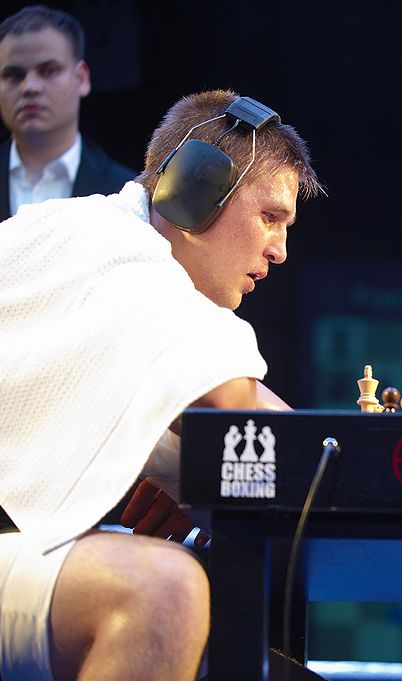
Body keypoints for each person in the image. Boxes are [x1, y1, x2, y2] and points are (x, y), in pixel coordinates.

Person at [0, 89, 322, 680]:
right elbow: (236, 412)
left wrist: (180, 480)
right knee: (166, 589)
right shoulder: (119, 253)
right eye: (270, 218)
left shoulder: (86, 238)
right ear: (194, 188)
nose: (279, 251)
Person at [0, 4, 135, 221]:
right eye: (14, 75)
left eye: (47, 71)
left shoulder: (127, 195)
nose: (30, 87)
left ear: (81, 78)